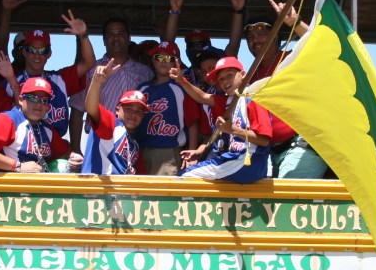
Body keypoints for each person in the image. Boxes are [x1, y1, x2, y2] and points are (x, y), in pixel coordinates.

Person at [247, 0, 327, 179]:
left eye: (261, 34)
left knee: (287, 199)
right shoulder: (251, 75)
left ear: (275, 35)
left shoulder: (291, 58)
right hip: (274, 153)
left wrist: (295, 22)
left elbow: (320, 44)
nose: (255, 40)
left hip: (302, 146)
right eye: (250, 37)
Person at [0, 12, 96, 138]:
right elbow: (12, 115)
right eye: (32, 50)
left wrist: (83, 36)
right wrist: (12, 80)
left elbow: (89, 63)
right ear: (24, 52)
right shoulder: (7, 84)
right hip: (22, 146)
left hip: (56, 146)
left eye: (42, 50)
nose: (37, 55)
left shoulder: (60, 79)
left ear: (49, 53)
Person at [174, 56, 272, 183]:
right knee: (189, 173)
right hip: (235, 160)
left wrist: (232, 130)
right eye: (221, 79)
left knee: (186, 175)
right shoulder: (229, 100)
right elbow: (202, 96)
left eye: (229, 75)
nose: (225, 81)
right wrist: (182, 81)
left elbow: (264, 141)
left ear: (243, 74)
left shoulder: (253, 98)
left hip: (248, 161)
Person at [67, 16, 152, 150]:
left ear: (129, 38)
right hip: (100, 142)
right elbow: (77, 110)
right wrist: (75, 148)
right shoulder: (92, 71)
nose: (116, 38)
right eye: (111, 34)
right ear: (104, 40)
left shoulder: (145, 72)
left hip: (137, 143)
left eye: (121, 33)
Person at [0, 77, 74, 173]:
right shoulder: (8, 119)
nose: (38, 104)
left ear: (48, 106)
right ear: (21, 100)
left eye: (44, 100)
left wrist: (74, 158)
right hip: (10, 188)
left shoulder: (46, 128)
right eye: (33, 98)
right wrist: (18, 166)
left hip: (37, 188)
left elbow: (64, 153)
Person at [137, 41, 200, 175]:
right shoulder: (142, 88)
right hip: (140, 149)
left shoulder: (182, 89)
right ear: (152, 60)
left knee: (161, 194)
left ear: (176, 63)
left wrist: (192, 152)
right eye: (159, 57)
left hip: (168, 151)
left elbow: (193, 122)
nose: (163, 61)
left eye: (169, 58)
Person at [80, 59, 147, 175]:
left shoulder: (134, 144)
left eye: (138, 112)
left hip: (120, 190)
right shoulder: (111, 124)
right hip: (98, 189)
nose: (133, 114)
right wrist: (96, 82)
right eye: (128, 109)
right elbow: (91, 108)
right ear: (117, 110)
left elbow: (142, 177)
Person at [0, 0, 27, 88]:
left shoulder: (45, 77)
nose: (26, 51)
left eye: (32, 48)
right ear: (14, 53)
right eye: (22, 47)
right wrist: (7, 11)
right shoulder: (4, 70)